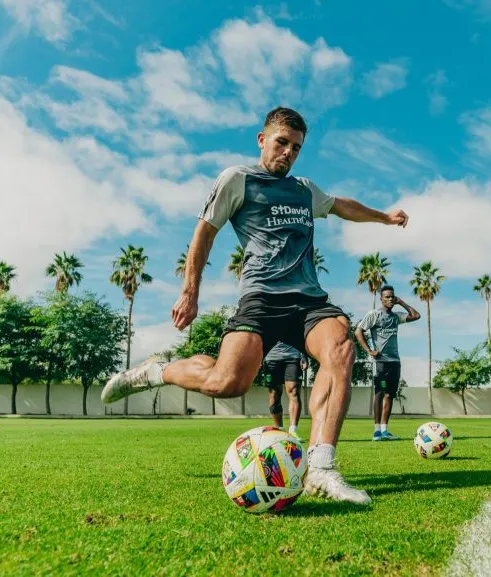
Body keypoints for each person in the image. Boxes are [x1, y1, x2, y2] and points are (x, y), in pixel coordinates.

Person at [101, 106, 409, 506]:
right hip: (260, 298)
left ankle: (321, 468)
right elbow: (204, 232)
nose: (288, 153)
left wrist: (384, 217)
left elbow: (340, 206)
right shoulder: (238, 179)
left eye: (296, 148)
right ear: (262, 139)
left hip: (307, 300)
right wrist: (189, 291)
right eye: (282, 143)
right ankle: (157, 371)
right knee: (227, 384)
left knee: (341, 348)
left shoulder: (303, 189)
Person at [355, 285, 420, 441]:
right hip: (381, 362)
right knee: (379, 393)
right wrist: (369, 350)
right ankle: (377, 431)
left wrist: (402, 302)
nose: (390, 299)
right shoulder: (374, 315)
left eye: (392, 297)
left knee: (390, 395)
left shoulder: (396, 317)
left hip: (395, 362)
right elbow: (358, 331)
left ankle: (385, 431)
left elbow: (416, 316)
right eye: (387, 297)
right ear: (381, 299)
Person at [264, 341, 306, 438]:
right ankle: (279, 429)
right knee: (274, 394)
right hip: (271, 357)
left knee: (294, 391)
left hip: (293, 356)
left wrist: (304, 355)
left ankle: (293, 431)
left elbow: (301, 333)